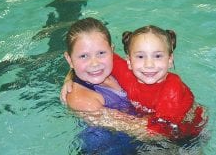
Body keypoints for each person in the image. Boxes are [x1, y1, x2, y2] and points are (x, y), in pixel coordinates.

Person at [62, 20, 208, 145]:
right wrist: (71, 76)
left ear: (170, 60)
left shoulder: (171, 89)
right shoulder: (82, 97)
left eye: (157, 56)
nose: (148, 65)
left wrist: (72, 73)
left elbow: (163, 132)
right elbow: (143, 131)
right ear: (129, 61)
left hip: (185, 136)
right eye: (140, 57)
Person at [63, 17, 151, 154]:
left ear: (112, 51)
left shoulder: (113, 70)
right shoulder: (80, 99)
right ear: (69, 59)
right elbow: (137, 128)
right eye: (83, 56)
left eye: (101, 53)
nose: (94, 63)